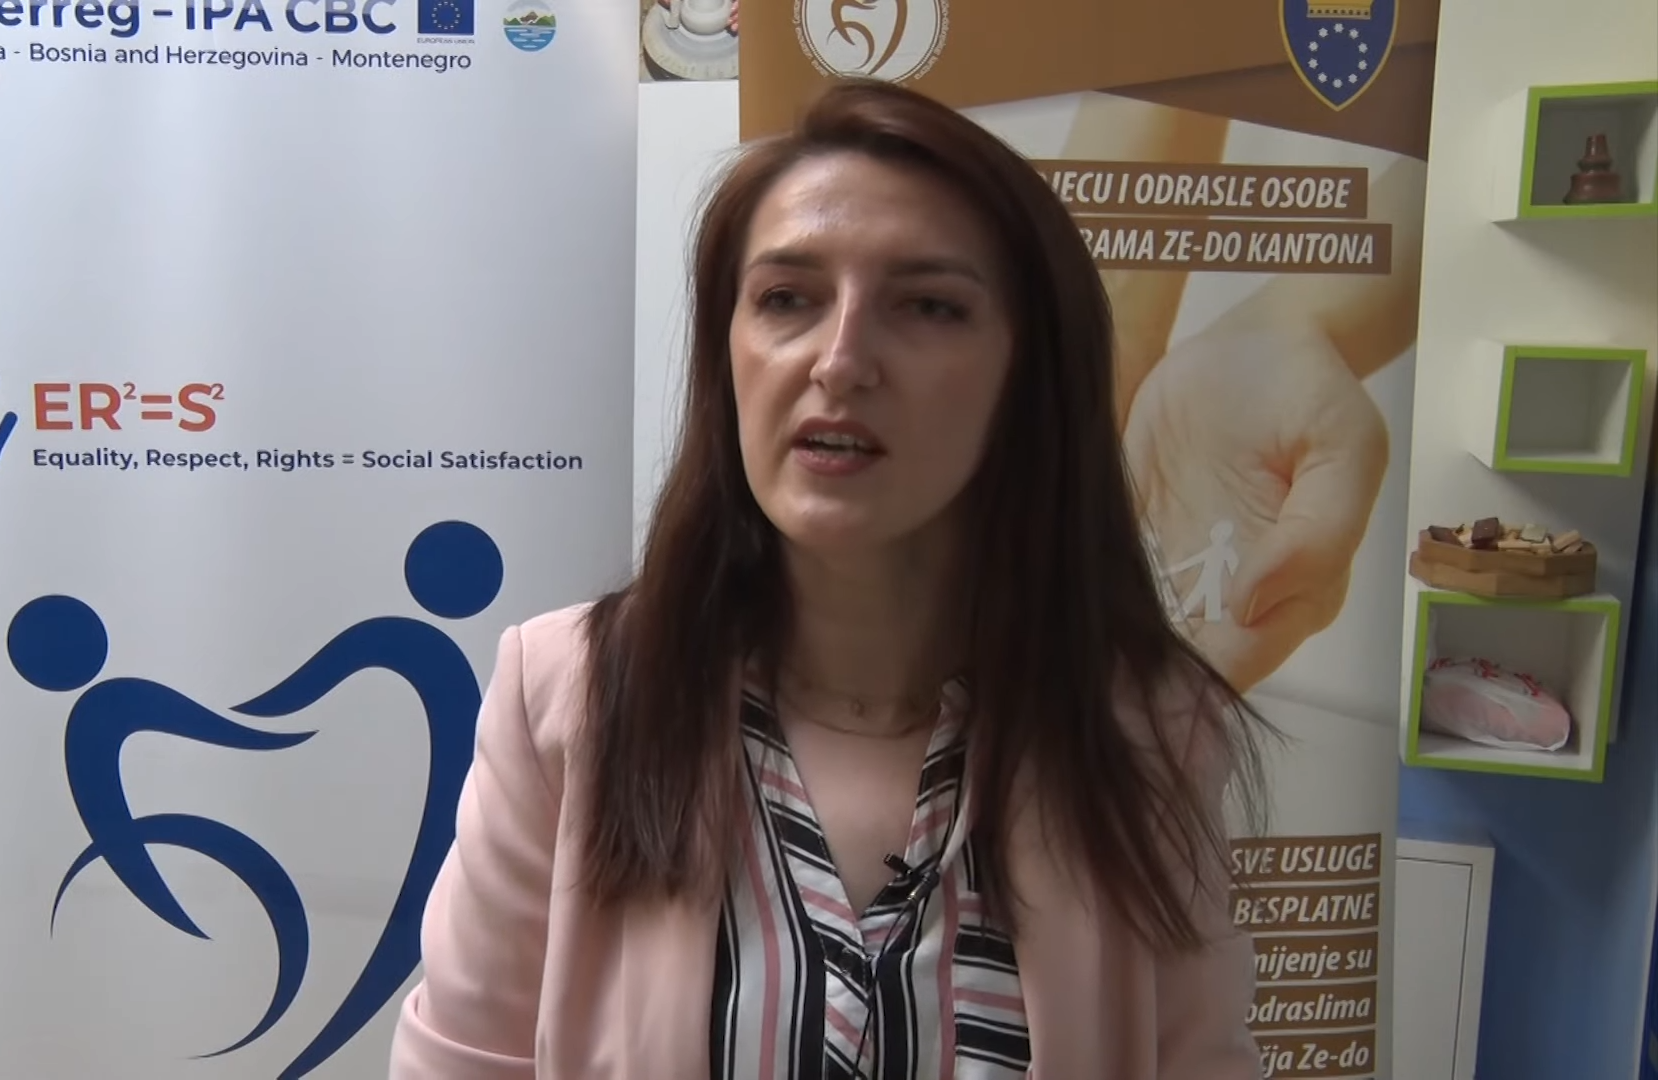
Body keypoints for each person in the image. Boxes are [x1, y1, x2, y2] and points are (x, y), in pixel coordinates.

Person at [390, 77, 1270, 1079]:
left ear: (1028, 377)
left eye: (928, 306)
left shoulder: (1147, 729)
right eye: (787, 299)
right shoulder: (573, 697)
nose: (841, 360)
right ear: (727, 353)